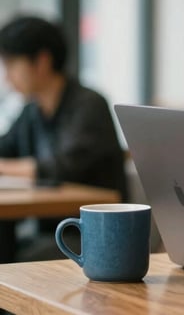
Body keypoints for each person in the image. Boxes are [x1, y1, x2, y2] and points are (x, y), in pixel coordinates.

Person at [0, 16, 127, 263]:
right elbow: (5, 146)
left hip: (90, 236)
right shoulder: (33, 110)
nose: (7, 76)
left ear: (42, 61)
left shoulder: (88, 105)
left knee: (11, 260)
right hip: (51, 230)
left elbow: (61, 167)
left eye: (12, 64)